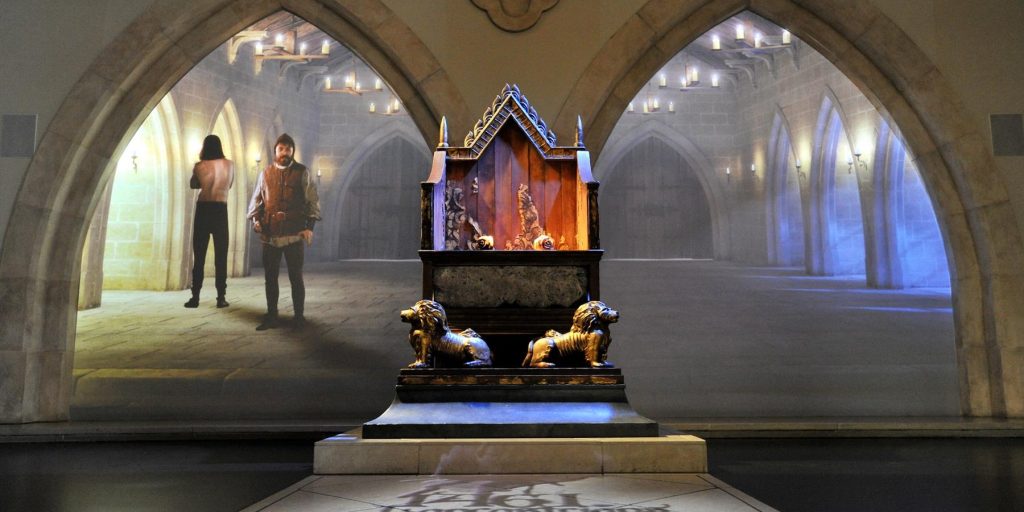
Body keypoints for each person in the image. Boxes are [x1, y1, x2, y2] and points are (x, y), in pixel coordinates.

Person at [247, 133, 321, 330]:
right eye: (281, 149)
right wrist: (256, 220)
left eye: (288, 149)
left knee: (295, 277)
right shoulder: (265, 173)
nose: (285, 152)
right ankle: (272, 315)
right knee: (270, 277)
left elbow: (312, 200)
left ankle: (299, 317)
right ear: (275, 151)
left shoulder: (302, 172)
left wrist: (308, 227)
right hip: (270, 234)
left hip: (294, 233)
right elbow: (257, 200)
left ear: (292, 151)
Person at [185, 135, 234, 309]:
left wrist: (200, 175)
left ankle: (195, 297)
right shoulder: (229, 164)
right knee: (221, 256)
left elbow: (193, 185)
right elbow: (230, 185)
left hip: (203, 209)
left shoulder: (199, 166)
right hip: (220, 209)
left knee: (199, 256)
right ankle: (221, 297)